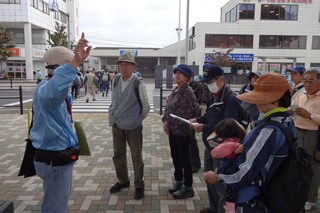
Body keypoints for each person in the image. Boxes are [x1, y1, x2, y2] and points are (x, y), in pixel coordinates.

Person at [204, 73, 294, 213]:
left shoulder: (269, 130)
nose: (255, 103)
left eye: (260, 99)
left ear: (275, 100)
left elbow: (246, 171)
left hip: (249, 198)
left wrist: (217, 177)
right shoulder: (285, 121)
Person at [31, 33, 91, 213]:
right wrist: (73, 64)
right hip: (55, 157)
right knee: (55, 206)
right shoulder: (47, 90)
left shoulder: (48, 87)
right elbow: (52, 95)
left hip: (54, 152)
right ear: (58, 68)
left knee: (55, 199)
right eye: (68, 66)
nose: (74, 73)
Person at [189, 65, 243, 213]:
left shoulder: (230, 98)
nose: (208, 85)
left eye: (210, 81)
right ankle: (213, 208)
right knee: (209, 177)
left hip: (224, 150)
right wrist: (197, 119)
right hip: (211, 145)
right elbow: (208, 115)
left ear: (221, 79)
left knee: (220, 183)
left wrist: (203, 127)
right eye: (206, 82)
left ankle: (221, 210)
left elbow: (228, 126)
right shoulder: (214, 96)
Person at [108, 52, 150, 200]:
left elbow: (146, 107)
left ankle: (139, 184)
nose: (123, 67)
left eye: (127, 65)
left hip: (133, 126)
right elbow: (115, 98)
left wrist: (137, 120)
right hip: (117, 124)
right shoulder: (116, 79)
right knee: (118, 154)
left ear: (133, 67)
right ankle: (123, 180)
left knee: (136, 156)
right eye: (121, 65)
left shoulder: (138, 83)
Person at [162, 64, 199, 199]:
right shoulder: (177, 89)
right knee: (176, 157)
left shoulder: (188, 92)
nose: (177, 75)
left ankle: (188, 187)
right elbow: (169, 109)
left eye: (181, 73)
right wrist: (165, 121)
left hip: (183, 132)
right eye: (176, 72)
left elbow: (185, 114)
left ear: (187, 77)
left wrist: (170, 124)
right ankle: (178, 181)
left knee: (185, 160)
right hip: (173, 130)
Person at [290, 68, 320, 211]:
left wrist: (310, 116)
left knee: (312, 168)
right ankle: (299, 194)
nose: (307, 85)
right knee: (296, 165)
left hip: (313, 135)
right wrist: (290, 111)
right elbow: (292, 106)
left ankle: (311, 198)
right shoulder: (300, 94)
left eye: (311, 81)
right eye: (305, 81)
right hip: (297, 132)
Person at [207, 118, 246, 213]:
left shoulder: (235, 141)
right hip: (229, 177)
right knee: (227, 199)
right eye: (238, 123)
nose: (241, 125)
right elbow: (215, 152)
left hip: (231, 177)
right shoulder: (231, 142)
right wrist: (235, 150)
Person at [188, 71, 203, 173]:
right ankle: (189, 161)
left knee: (192, 140)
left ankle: (195, 164)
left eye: (188, 78)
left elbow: (198, 101)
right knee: (187, 141)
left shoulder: (198, 86)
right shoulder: (183, 86)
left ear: (192, 77)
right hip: (184, 117)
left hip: (193, 116)